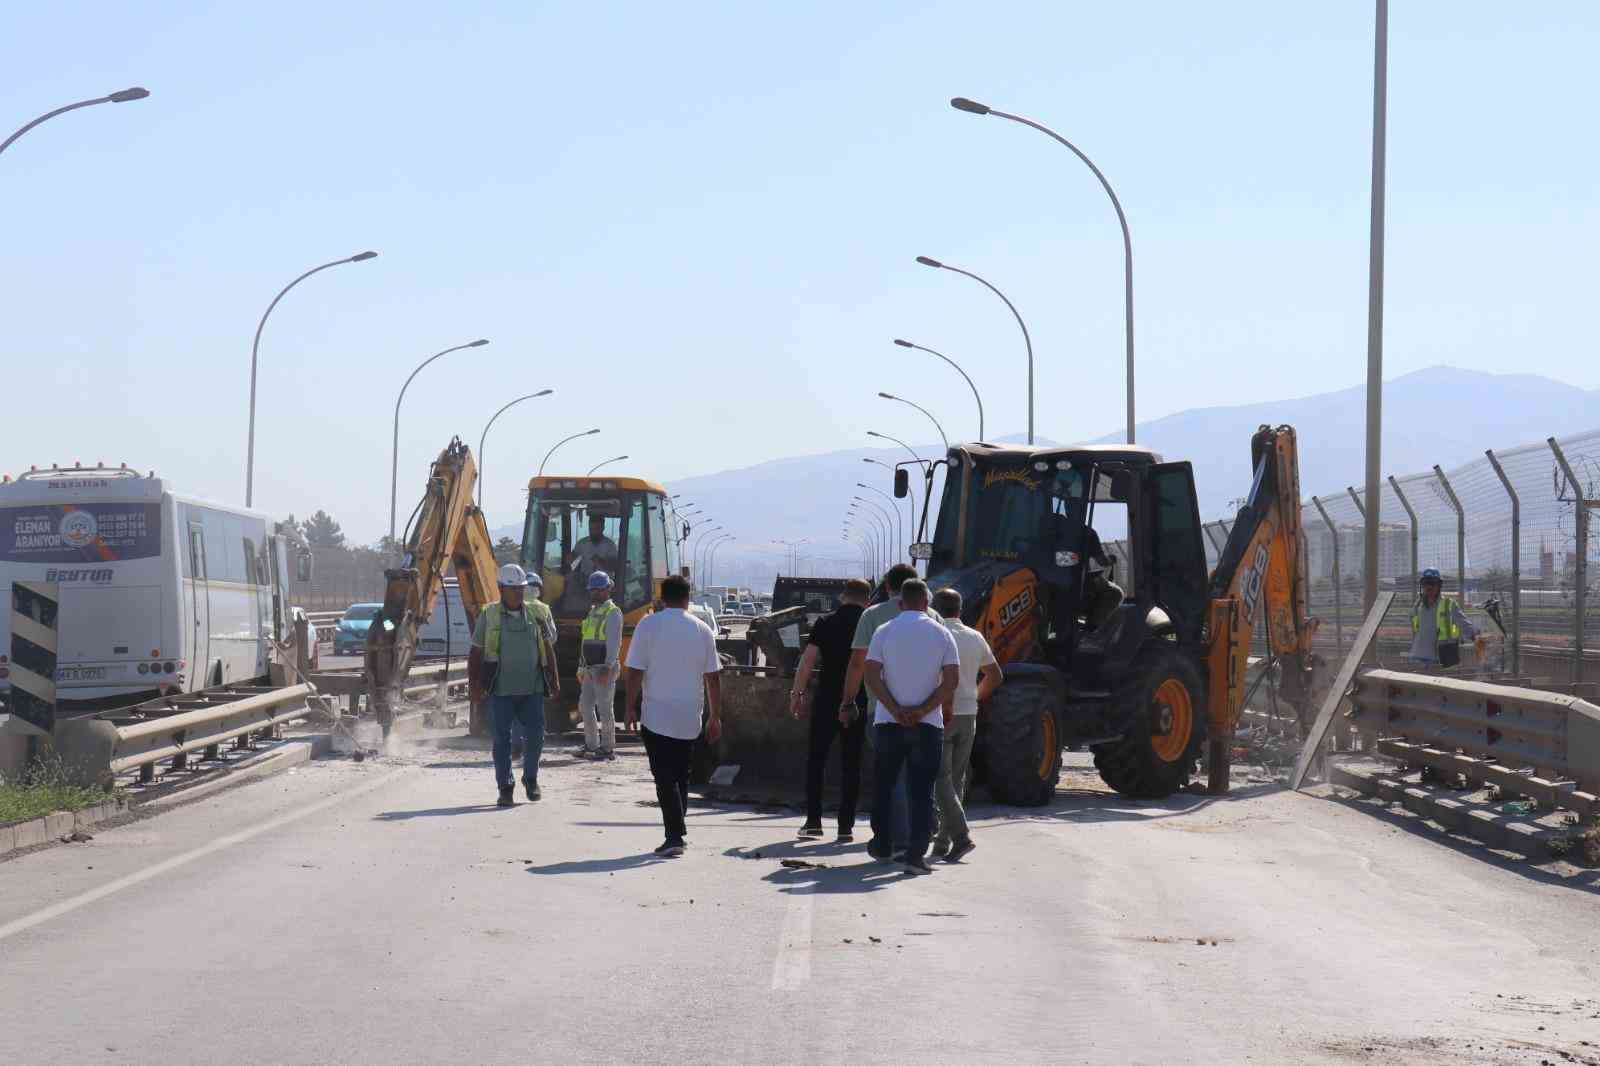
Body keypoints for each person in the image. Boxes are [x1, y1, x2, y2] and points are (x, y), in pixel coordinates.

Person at [862, 579, 959, 875]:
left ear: (901, 602)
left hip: (888, 724)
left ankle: (883, 845)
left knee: (884, 785)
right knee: (921, 791)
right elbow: (952, 681)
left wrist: (895, 709)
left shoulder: (883, 631)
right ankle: (915, 856)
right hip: (928, 726)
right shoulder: (942, 634)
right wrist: (920, 711)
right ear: (927, 603)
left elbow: (871, 675)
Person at [624, 574, 722, 857]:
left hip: (656, 715)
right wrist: (715, 717)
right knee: (680, 775)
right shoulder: (702, 629)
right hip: (689, 717)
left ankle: (675, 835)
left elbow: (635, 671)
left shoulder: (648, 625)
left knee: (664, 776)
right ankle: (677, 830)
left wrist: (630, 706)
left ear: (662, 598)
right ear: (687, 598)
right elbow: (713, 678)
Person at [840, 563, 921, 851]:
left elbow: (859, 663)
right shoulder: (932, 617)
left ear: (888, 587)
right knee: (918, 776)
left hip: (883, 711)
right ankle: (919, 834)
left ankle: (896, 838)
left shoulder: (873, 616)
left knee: (891, 777)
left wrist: (848, 701)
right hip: (924, 712)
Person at [788, 577, 872, 841]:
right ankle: (845, 826)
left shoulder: (825, 622)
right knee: (852, 763)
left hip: (826, 700)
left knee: (817, 760)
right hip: (859, 700)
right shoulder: (870, 624)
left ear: (843, 597)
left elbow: (807, 661)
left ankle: (813, 821)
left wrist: (797, 693)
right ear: (867, 600)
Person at [469, 564, 551, 807]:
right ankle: (505, 786)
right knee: (501, 741)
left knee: (536, 736)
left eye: (521, 588)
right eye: (513, 588)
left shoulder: (538, 614)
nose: (518, 593)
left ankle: (531, 779)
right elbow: (476, 652)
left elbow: (548, 647)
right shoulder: (489, 614)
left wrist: (553, 678)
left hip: (532, 688)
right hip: (501, 689)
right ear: (501, 589)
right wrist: (474, 685)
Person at [929, 587, 1001, 863]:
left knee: (940, 779)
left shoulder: (935, 635)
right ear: (960, 608)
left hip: (940, 713)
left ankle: (961, 835)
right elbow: (995, 675)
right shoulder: (975, 636)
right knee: (956, 779)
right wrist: (975, 696)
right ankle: (943, 842)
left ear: (935, 606)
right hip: (968, 714)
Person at [577, 570, 624, 760]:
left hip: (603, 668)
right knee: (585, 706)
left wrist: (608, 667)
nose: (595, 593)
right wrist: (581, 666)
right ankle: (591, 744)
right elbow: (585, 641)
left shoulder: (613, 612)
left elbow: (614, 643)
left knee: (605, 709)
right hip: (589, 668)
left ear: (607, 590)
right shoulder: (593, 611)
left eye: (598, 590)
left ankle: (607, 748)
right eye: (592, 590)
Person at [1408, 568, 1484, 667]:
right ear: (1422, 585)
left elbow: (1463, 623)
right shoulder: (1417, 606)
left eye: (1432, 583)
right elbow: (1415, 626)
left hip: (1442, 656)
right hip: (1419, 656)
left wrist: (1475, 637)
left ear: (1439, 586)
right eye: (1426, 583)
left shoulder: (1449, 604)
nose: (1429, 587)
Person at [569, 514, 619, 587]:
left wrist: (601, 562)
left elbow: (615, 566)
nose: (594, 532)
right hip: (585, 583)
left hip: (604, 584)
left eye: (597, 529)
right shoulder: (582, 543)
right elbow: (574, 562)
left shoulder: (610, 545)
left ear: (603, 528)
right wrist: (571, 559)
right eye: (591, 529)